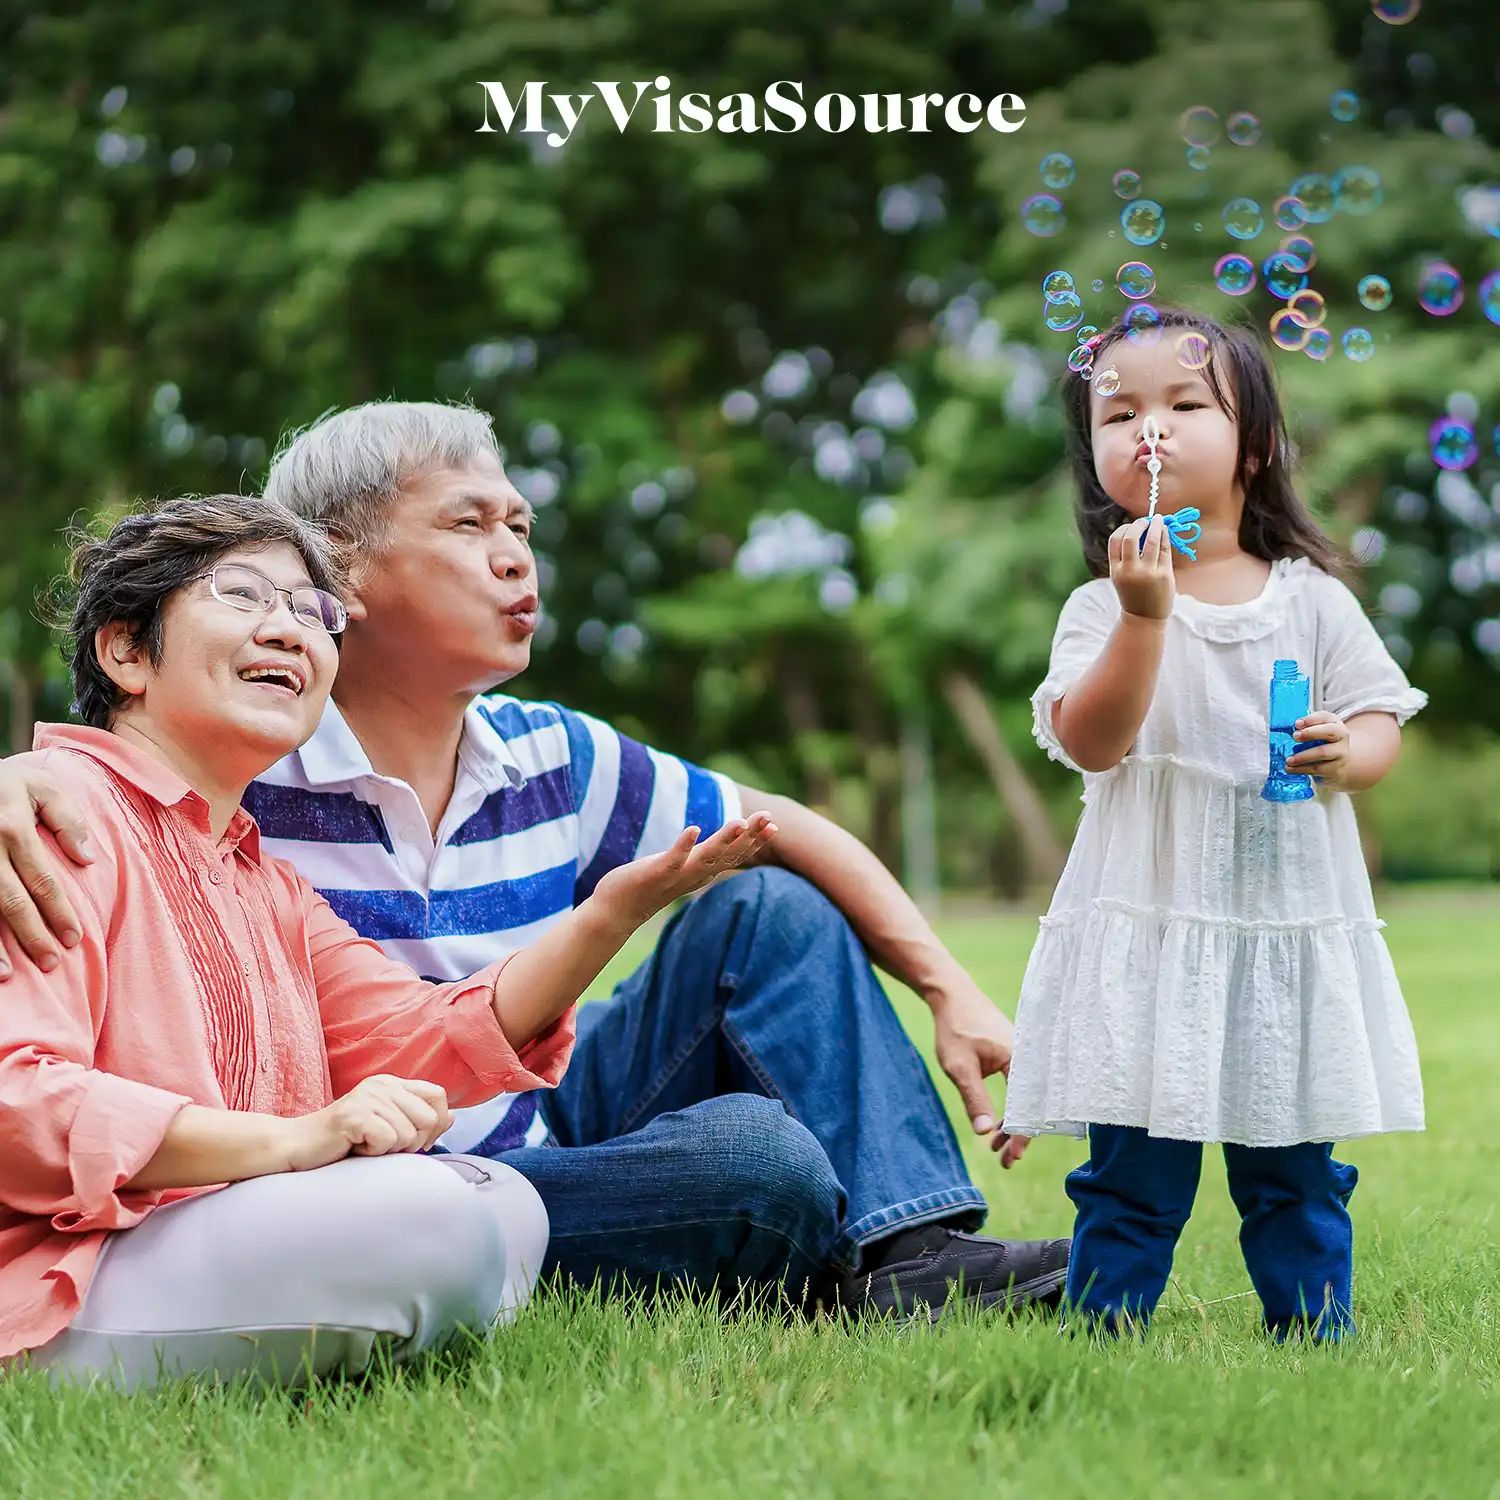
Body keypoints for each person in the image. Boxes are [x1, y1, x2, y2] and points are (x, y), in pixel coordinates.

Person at [0, 402, 1068, 1320]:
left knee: (766, 907)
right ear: (344, 563)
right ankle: (753, 1229)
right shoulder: (235, 761)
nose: (516, 556)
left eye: (520, 524)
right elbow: (113, 750)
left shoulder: (548, 751)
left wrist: (949, 988)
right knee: (758, 1163)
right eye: (469, 524)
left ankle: (909, 1250)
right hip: (348, 1179)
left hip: (522, 1115)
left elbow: (775, 822)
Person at [0, 496, 770, 1389]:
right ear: (126, 651)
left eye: (312, 612)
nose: (288, 631)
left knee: (506, 1205)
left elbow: (422, 1036)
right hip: (64, 1273)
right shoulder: (52, 814)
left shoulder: (264, 883)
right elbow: (18, 1100)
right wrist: (289, 1141)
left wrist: (607, 916)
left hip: (200, 1240)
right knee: (438, 1223)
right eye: (244, 595)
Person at [996, 309, 1426, 1339]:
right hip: (1150, 937)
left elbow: (1379, 719)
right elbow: (1095, 741)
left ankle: (1315, 1334)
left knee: (1296, 1175)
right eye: (1119, 412)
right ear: (1092, 451)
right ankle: (1105, 1335)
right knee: (1130, 1175)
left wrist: (1347, 753)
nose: (1149, 430)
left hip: (1277, 931)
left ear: (1258, 446)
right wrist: (1147, 617)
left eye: (1186, 405)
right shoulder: (1100, 608)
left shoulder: (1310, 600)